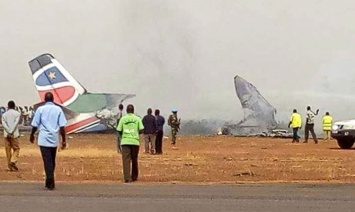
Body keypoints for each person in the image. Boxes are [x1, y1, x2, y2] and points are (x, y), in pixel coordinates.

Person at [30, 92, 67, 190]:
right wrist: (64, 139)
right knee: (52, 160)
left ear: (45, 100)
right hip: (54, 139)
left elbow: (35, 124)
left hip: (43, 139)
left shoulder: (40, 109)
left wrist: (32, 135)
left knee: (47, 161)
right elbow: (62, 127)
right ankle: (49, 181)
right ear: (53, 99)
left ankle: (50, 180)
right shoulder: (58, 109)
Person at [116, 104, 144, 183]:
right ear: (133, 110)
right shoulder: (137, 119)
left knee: (126, 160)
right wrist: (136, 133)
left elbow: (119, 130)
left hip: (125, 141)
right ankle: (134, 176)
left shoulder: (123, 119)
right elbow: (142, 130)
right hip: (135, 141)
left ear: (126, 110)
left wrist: (123, 136)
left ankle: (127, 178)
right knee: (134, 159)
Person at [2, 101, 21, 171]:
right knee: (16, 148)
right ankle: (13, 161)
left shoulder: (4, 114)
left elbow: (3, 123)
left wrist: (8, 130)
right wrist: (11, 131)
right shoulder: (17, 114)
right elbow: (16, 123)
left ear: (8, 106)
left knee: (8, 150)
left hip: (6, 134)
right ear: (14, 106)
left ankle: (10, 166)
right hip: (14, 134)